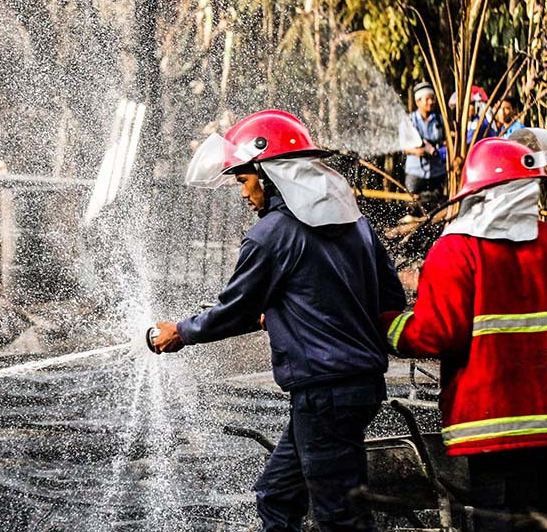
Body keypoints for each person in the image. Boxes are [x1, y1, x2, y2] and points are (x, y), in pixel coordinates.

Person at [153, 109, 407, 532]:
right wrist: (295, 314)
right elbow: (388, 297)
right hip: (358, 387)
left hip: (323, 391)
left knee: (339, 516)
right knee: (277, 495)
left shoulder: (271, 234)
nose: (242, 192)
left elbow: (235, 309)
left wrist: (181, 331)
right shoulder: (357, 224)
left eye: (243, 180)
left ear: (269, 174)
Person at [381, 132, 547, 531]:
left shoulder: (457, 251)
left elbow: (436, 334)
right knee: (537, 518)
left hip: (493, 427)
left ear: (476, 192)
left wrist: (386, 324)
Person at [402, 82, 447, 196]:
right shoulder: (409, 121)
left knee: (437, 204)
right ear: (418, 101)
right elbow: (403, 147)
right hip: (415, 172)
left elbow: (446, 142)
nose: (431, 102)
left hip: (437, 172)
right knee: (412, 205)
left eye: (432, 99)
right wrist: (416, 151)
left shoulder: (440, 120)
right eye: (427, 99)